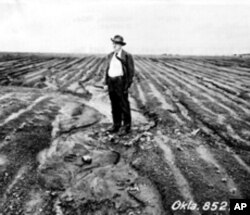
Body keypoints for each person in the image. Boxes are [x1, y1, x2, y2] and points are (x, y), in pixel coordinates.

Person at [103, 35, 135, 135]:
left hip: (120, 82)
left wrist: (127, 85)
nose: (114, 45)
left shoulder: (127, 56)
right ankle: (116, 125)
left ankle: (126, 127)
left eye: (116, 44)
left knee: (123, 104)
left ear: (121, 45)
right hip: (111, 82)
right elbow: (107, 70)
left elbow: (130, 72)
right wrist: (106, 83)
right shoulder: (110, 55)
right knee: (114, 104)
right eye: (113, 43)